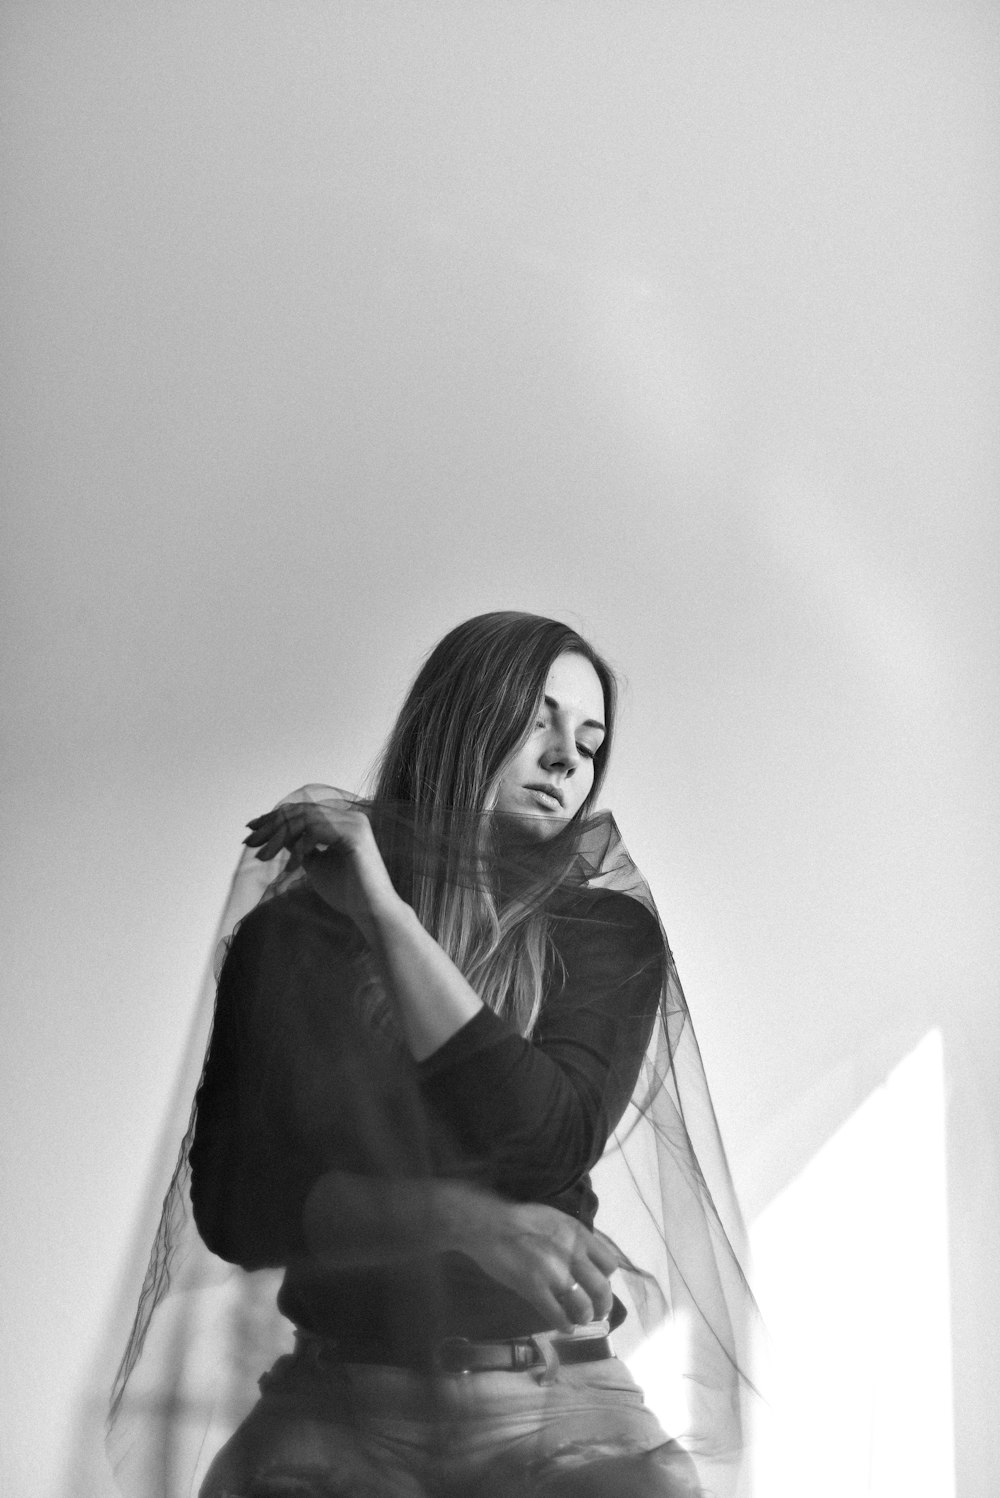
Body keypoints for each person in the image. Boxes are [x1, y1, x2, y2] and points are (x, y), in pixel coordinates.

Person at [107, 613, 757, 1498]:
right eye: (538, 721)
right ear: (458, 722)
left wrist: (386, 916)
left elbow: (545, 1141)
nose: (570, 759)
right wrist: (470, 1222)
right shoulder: (289, 939)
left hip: (554, 1408)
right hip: (335, 1409)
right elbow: (235, 1204)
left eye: (591, 741)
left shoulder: (605, 933)